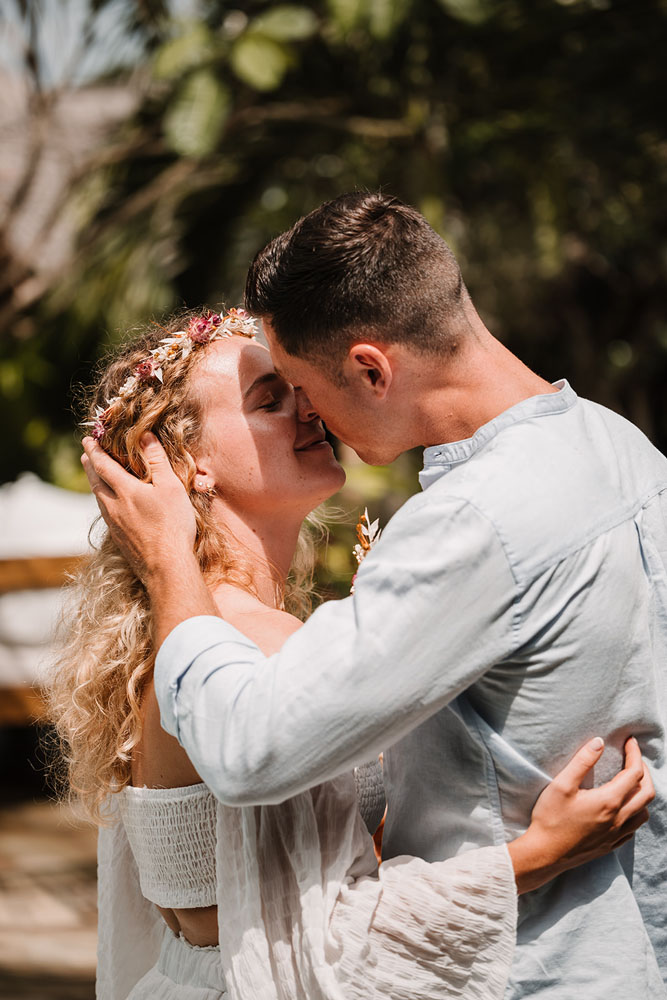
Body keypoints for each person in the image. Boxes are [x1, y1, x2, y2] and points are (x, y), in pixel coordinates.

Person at [81, 193, 667, 999]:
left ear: (369, 367)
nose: (307, 412)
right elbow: (255, 922)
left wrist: (169, 568)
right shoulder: (624, 450)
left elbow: (255, 752)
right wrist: (524, 859)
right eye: (270, 394)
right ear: (191, 467)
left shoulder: (470, 522)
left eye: (296, 384)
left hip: (537, 968)